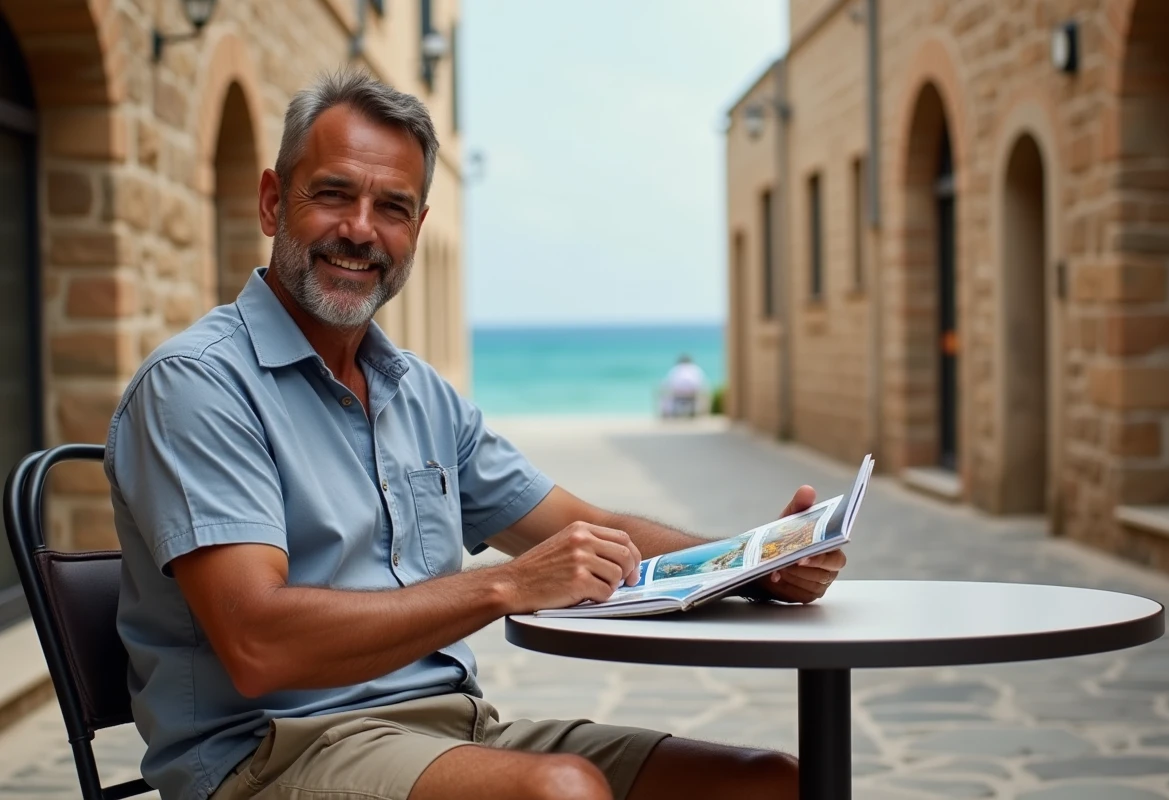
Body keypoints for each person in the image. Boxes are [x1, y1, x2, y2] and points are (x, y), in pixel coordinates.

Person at [103, 69, 846, 800]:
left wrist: (754, 564)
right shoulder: (199, 384)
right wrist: (507, 585)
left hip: (453, 733)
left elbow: (589, 531)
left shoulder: (418, 394)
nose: (360, 229)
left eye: (392, 207)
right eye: (332, 194)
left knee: (770, 784)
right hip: (271, 756)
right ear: (273, 202)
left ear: (416, 230)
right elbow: (258, 644)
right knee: (558, 793)